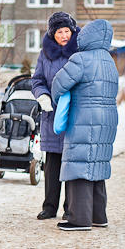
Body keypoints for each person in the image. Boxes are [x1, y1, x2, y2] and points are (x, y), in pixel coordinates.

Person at [51, 19, 119, 231]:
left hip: (84, 117)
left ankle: (79, 218)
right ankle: (99, 216)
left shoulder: (81, 59)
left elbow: (58, 85)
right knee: (97, 163)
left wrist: (58, 99)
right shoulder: (109, 61)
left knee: (79, 164)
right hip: (108, 119)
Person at [31, 11, 79, 220]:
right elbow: (38, 80)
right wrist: (42, 96)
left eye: (67, 31)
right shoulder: (45, 55)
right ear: (52, 34)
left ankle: (71, 209)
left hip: (74, 116)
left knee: (71, 163)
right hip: (52, 116)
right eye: (59, 31)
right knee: (52, 165)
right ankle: (49, 207)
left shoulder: (79, 53)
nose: (64, 35)